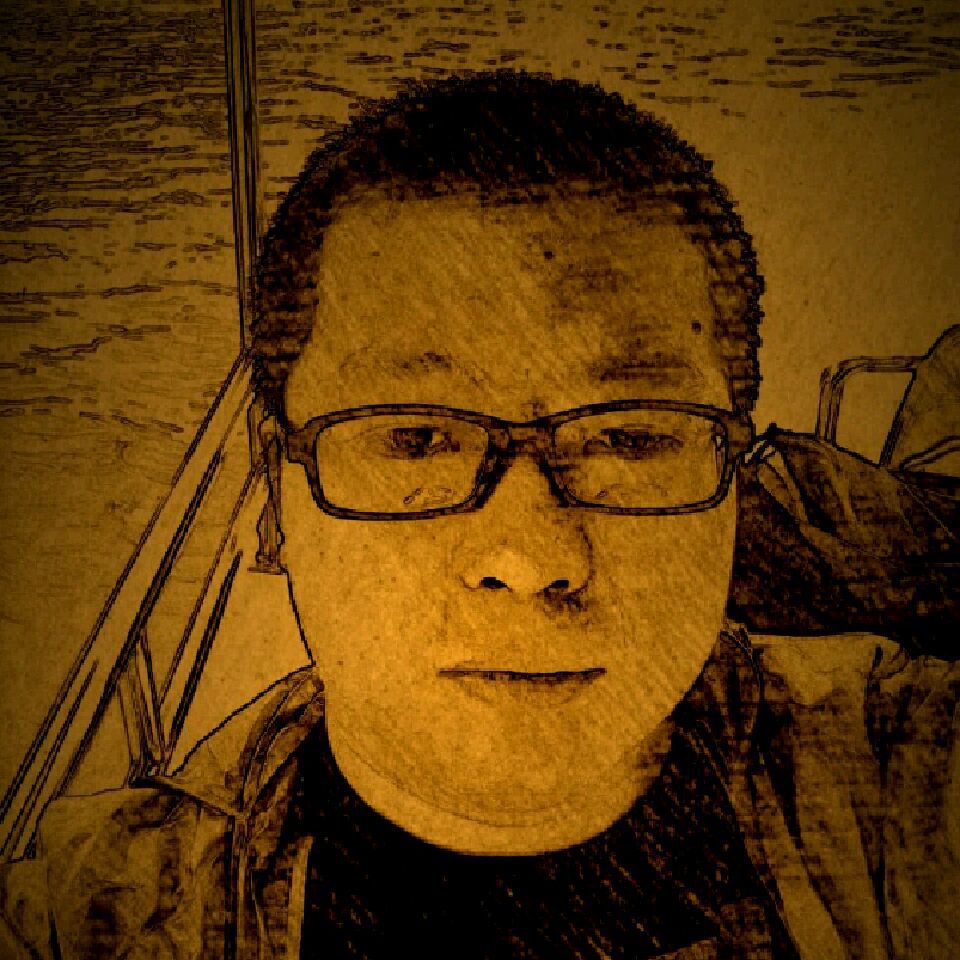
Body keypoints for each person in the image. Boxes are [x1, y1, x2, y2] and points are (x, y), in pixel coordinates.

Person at [1, 71, 957, 960]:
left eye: (629, 437)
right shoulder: (87, 923)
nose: (531, 555)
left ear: (733, 474)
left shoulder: (903, 785)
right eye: (415, 438)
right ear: (273, 496)